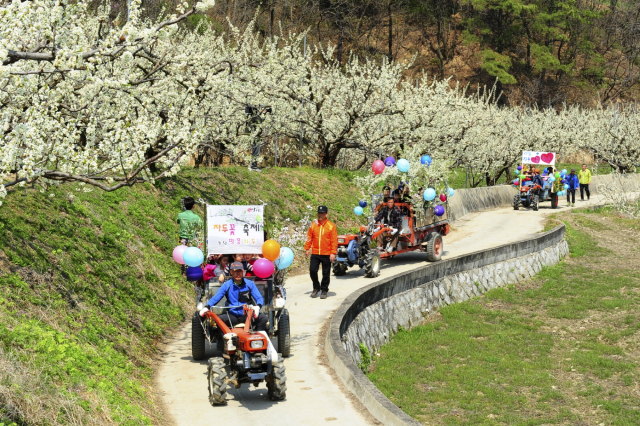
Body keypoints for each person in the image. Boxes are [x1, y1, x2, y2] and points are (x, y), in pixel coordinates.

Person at [199, 262, 268, 332]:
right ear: (231, 272)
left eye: (240, 271)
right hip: (232, 316)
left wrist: (258, 307)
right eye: (235, 271)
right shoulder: (227, 285)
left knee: (263, 318)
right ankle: (223, 342)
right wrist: (207, 307)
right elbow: (216, 297)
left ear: (243, 271)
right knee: (219, 320)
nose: (238, 273)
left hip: (247, 315)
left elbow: (259, 298)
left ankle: (257, 340)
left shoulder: (250, 284)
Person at [304, 205, 338, 299]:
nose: (320, 215)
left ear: (326, 214)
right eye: (319, 213)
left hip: (327, 253)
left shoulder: (331, 226)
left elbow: (334, 241)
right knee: (312, 271)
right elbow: (309, 237)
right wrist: (307, 248)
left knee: (326, 273)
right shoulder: (313, 225)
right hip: (315, 252)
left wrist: (333, 253)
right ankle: (316, 287)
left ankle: (324, 290)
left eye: (322, 213)